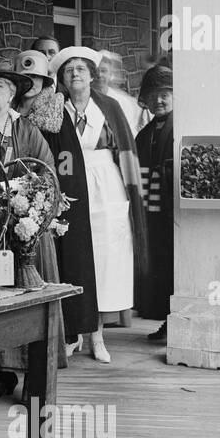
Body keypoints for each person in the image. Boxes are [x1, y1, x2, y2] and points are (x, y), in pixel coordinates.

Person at [0, 53, 67, 399]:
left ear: (11, 94)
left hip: (22, 231)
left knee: (27, 302)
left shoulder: (26, 130)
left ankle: (33, 377)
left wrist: (21, 203)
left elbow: (47, 175)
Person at [47, 46, 147, 363]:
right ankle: (73, 332)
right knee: (74, 256)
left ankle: (97, 335)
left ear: (92, 75)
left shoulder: (110, 107)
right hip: (70, 186)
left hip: (107, 186)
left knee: (104, 260)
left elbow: (126, 153)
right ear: (62, 78)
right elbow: (47, 153)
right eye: (68, 70)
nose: (75, 74)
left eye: (81, 68)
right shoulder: (53, 109)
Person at [134, 64, 174, 341]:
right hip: (151, 214)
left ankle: (174, 321)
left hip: (172, 212)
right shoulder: (144, 134)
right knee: (158, 267)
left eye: (164, 94)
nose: (158, 100)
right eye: (153, 95)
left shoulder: (180, 127)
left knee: (173, 268)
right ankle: (165, 320)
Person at [95, 49, 148, 137]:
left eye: (104, 71)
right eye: (96, 71)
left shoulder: (122, 102)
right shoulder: (83, 98)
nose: (99, 75)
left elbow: (129, 134)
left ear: (110, 73)